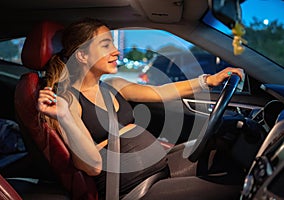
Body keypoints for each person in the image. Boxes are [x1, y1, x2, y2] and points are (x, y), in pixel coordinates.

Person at [37, 18, 244, 199]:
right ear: (82, 56)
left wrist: (208, 80)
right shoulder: (68, 101)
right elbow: (92, 165)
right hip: (134, 190)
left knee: (229, 161)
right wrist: (64, 116)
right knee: (240, 188)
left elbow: (160, 92)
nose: (116, 51)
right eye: (106, 45)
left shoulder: (113, 86)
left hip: (158, 170)